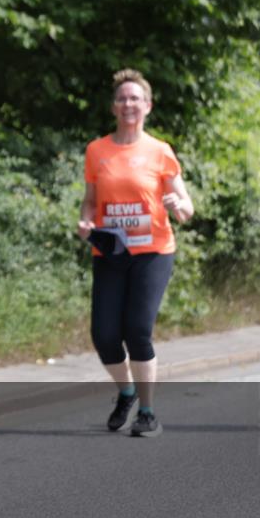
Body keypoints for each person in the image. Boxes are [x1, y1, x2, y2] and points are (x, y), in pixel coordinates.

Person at [76, 69, 194, 438]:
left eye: (135, 98)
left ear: (147, 105)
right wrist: (84, 222)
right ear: (114, 107)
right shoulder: (97, 150)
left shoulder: (159, 151)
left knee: (137, 331)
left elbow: (187, 207)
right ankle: (126, 393)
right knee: (104, 335)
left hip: (153, 251)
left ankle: (147, 411)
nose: (128, 104)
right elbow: (90, 202)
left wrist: (178, 204)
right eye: (122, 98)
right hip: (110, 249)